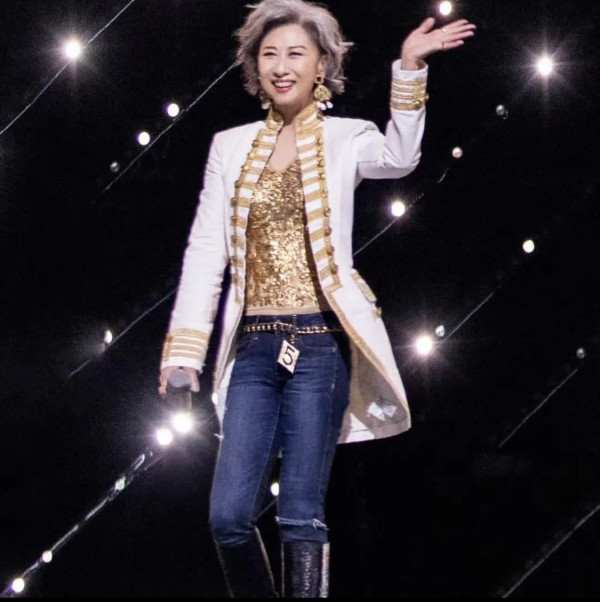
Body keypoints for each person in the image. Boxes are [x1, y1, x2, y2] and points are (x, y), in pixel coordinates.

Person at [158, 0, 475, 597]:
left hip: (321, 345)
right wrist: (184, 353)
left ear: (321, 66)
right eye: (269, 55)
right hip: (253, 349)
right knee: (228, 518)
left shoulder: (346, 137)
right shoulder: (230, 146)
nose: (281, 66)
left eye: (295, 54)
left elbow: (400, 158)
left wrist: (409, 67)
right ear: (255, 66)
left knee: (300, 513)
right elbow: (206, 251)